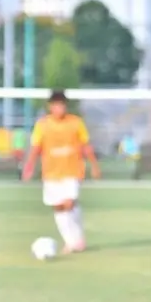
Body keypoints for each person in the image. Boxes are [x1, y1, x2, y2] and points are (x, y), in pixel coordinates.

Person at [22, 90, 101, 254]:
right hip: (51, 173)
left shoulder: (76, 123)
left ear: (66, 106)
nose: (59, 108)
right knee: (59, 207)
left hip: (72, 171)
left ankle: (74, 241)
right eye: (56, 105)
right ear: (50, 106)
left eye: (62, 105)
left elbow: (86, 145)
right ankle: (72, 240)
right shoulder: (42, 125)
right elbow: (36, 147)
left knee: (68, 203)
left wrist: (94, 165)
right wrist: (29, 166)